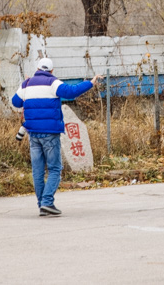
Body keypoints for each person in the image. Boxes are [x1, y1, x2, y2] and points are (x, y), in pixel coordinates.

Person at [12, 57, 102, 216]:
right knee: (54, 168)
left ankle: (42, 205)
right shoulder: (53, 82)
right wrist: (91, 82)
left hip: (33, 134)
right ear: (51, 71)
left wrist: (26, 88)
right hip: (50, 134)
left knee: (37, 171)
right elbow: (72, 92)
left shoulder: (27, 84)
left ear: (38, 68)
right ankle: (47, 202)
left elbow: (15, 102)